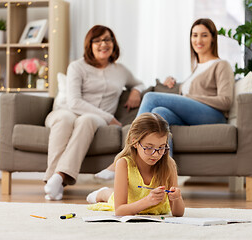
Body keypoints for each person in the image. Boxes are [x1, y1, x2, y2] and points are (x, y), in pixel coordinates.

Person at [95, 18, 234, 179]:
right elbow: (189, 94)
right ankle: (164, 177)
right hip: (193, 115)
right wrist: (176, 84)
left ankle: (125, 154)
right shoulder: (195, 69)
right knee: (159, 113)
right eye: (194, 35)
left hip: (213, 116)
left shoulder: (221, 65)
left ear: (212, 38)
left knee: (151, 98)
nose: (198, 40)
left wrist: (190, 96)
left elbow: (225, 101)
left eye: (204, 35)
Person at [43, 25, 145, 200]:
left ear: (113, 43)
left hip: (95, 119)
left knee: (87, 120)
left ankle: (58, 177)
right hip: (68, 111)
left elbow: (140, 83)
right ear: (89, 45)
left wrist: (136, 91)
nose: (103, 44)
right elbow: (73, 102)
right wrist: (109, 117)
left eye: (107, 39)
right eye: (97, 41)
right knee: (64, 119)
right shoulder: (77, 66)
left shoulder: (120, 70)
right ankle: (53, 181)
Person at [86, 113, 185, 216]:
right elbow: (119, 211)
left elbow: (178, 213)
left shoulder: (169, 164)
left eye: (161, 147)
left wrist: (177, 198)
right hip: (129, 205)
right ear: (135, 142)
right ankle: (102, 192)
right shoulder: (124, 164)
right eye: (149, 147)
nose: (156, 154)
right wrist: (148, 201)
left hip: (154, 206)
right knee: (111, 196)